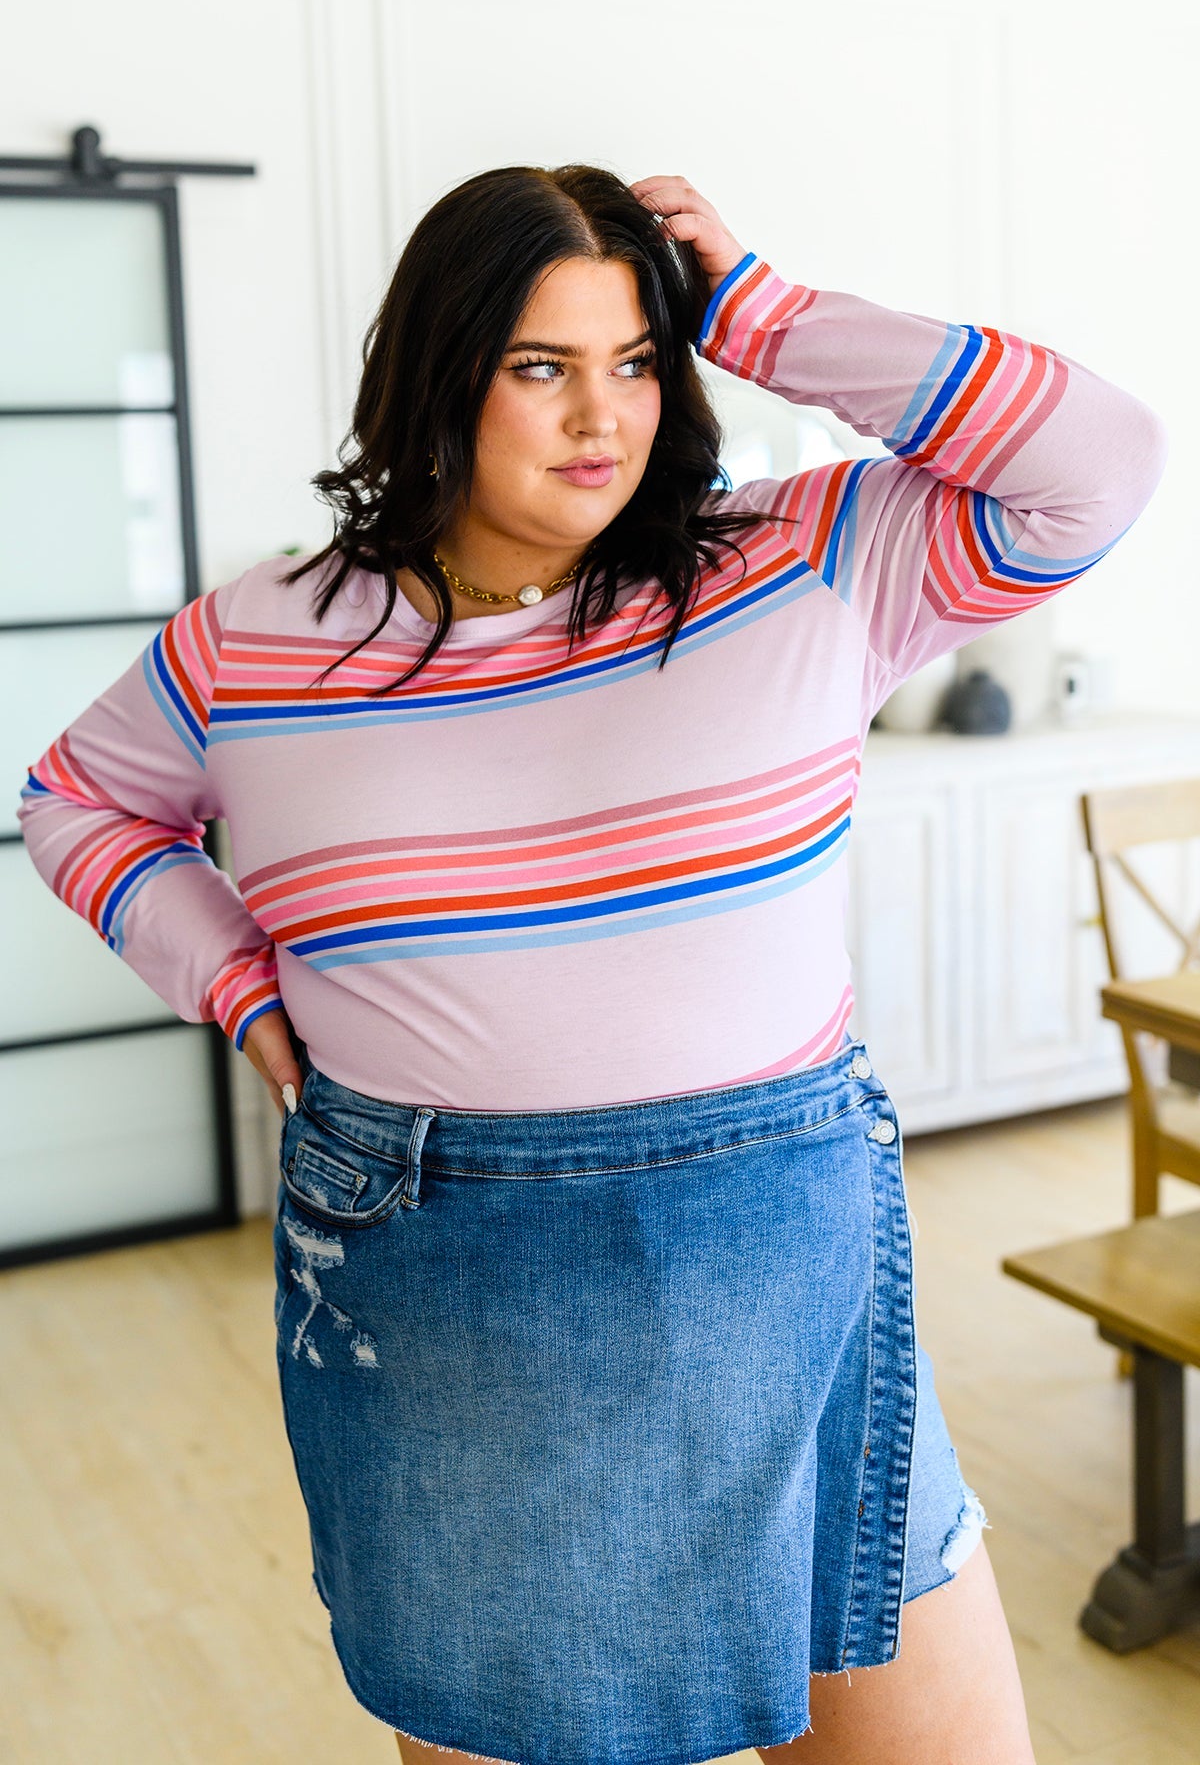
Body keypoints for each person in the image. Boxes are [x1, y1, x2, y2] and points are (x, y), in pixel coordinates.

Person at [17, 165, 1167, 1765]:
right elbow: (73, 797)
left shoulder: (808, 562)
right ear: (438, 376)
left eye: (637, 359)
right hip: (448, 1301)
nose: (601, 418)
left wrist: (756, 303)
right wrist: (237, 983)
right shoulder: (254, 642)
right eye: (541, 366)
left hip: (780, 1271)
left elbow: (1098, 463)